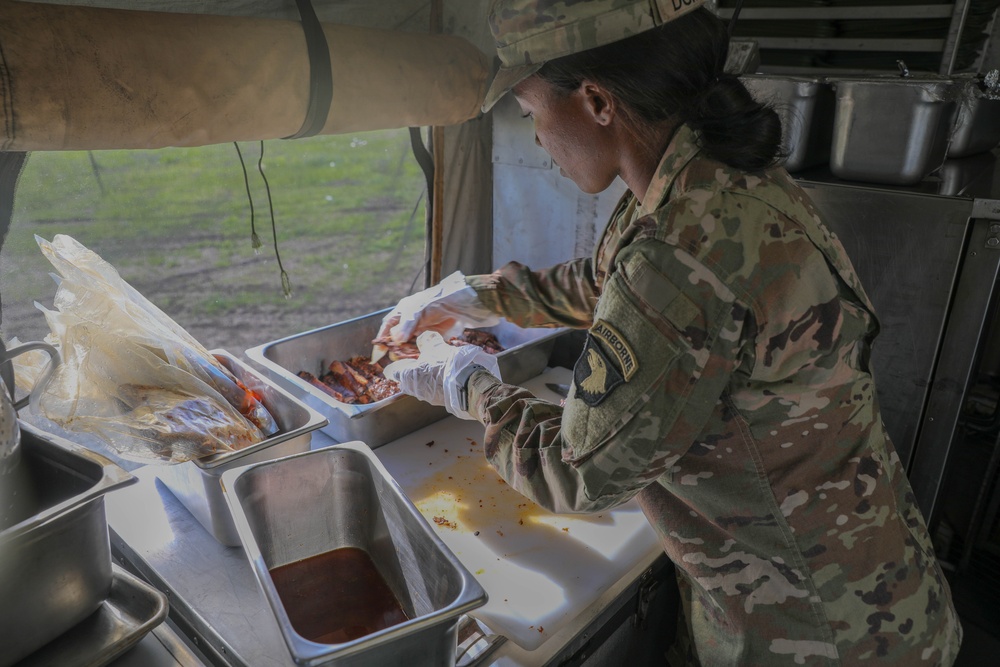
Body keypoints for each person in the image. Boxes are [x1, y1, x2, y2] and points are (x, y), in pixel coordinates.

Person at [379, 1, 963, 664]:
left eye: (531, 112)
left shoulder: (681, 252)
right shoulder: (708, 177)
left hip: (817, 630)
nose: (538, 137)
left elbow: (575, 473)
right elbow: (610, 285)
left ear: (597, 101)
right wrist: (474, 297)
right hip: (870, 583)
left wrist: (467, 384)